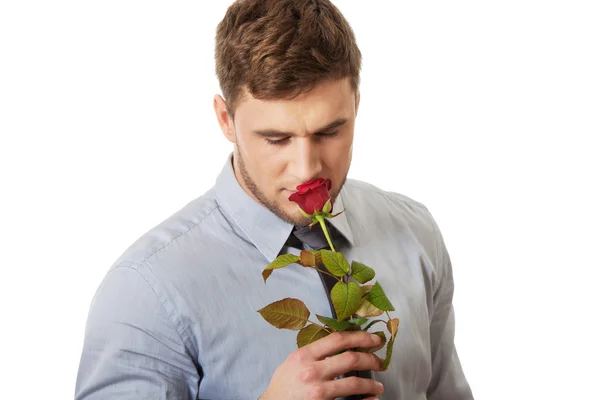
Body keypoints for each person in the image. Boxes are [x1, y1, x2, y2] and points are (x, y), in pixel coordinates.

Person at [75, 0, 474, 399]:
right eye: (276, 139)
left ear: (356, 105)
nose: (307, 169)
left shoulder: (414, 233)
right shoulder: (146, 290)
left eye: (330, 131)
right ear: (225, 120)